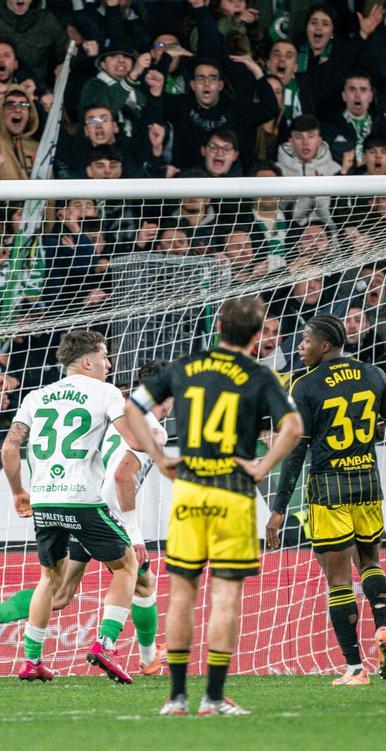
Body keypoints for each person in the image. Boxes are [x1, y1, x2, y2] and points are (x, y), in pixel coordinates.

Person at [126, 296, 302, 716]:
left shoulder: (185, 367)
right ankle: (214, 696)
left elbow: (133, 406)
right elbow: (293, 426)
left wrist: (160, 454)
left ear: (218, 325)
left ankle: (177, 697)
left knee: (182, 593)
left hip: (189, 490)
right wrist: (262, 467)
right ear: (258, 336)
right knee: (224, 596)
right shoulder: (259, 375)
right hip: (233, 495)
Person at [0, 360, 175, 676]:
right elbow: (123, 476)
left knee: (59, 592)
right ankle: (133, 652)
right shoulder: (150, 428)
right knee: (137, 576)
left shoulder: (116, 412)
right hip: (100, 509)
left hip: (69, 501)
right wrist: (134, 531)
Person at [266, 314, 386, 685]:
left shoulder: (305, 386)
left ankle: (354, 668)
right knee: (370, 561)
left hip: (328, 488)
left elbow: (296, 452)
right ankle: (383, 627)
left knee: (338, 580)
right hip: (367, 483)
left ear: (326, 345)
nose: (299, 347)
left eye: (305, 341)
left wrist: (278, 508)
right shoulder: (374, 375)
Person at [0, 329, 158, 683]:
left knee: (48, 578)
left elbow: (10, 448)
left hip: (43, 498)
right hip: (81, 498)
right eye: (104, 357)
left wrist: (17, 492)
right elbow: (133, 439)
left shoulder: (36, 396)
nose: (108, 364)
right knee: (127, 566)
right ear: (87, 361)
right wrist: (155, 443)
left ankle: (32, 660)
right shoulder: (106, 392)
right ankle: (105, 644)